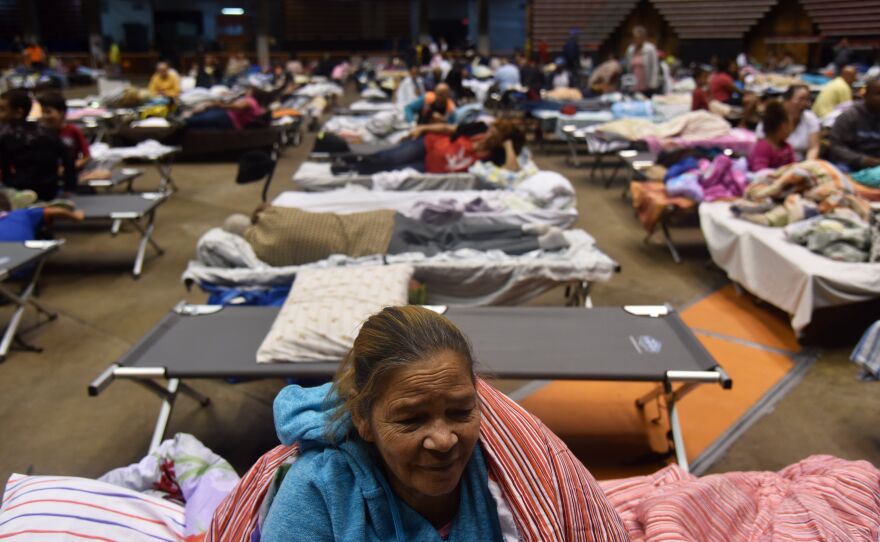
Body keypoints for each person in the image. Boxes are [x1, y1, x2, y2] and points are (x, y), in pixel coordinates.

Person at [264, 305, 609, 539]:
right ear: (363, 419)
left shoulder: (508, 472)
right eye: (411, 420)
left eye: (460, 412)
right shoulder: (318, 495)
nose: (444, 441)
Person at [225, 202, 568, 267]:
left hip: (378, 246)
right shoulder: (278, 212)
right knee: (456, 230)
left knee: (459, 246)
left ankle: (536, 242)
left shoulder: (263, 251)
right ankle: (524, 228)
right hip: (382, 220)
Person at [333, 120, 524, 175]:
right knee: (389, 158)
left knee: (393, 171)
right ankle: (350, 159)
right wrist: (423, 127)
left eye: (496, 135)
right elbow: (448, 129)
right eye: (492, 129)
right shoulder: (478, 128)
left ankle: (351, 169)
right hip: (427, 145)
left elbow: (512, 171)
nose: (490, 134)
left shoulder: (495, 156)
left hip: (431, 168)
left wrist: (508, 147)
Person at [0, 90, 77, 201]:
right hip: (50, 192)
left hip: (19, 191)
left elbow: (4, 168)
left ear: (18, 112)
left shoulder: (5, 135)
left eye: (2, 110)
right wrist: (69, 189)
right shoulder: (48, 131)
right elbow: (69, 160)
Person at [828, 77, 880, 171]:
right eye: (878, 94)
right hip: (851, 163)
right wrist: (862, 160)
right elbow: (836, 147)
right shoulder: (849, 116)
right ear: (866, 95)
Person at [755, 84, 820, 161]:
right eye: (801, 99)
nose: (805, 104)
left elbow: (814, 147)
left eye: (807, 100)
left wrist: (807, 165)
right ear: (787, 100)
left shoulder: (810, 118)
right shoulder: (770, 120)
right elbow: (761, 153)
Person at [37, 91, 90, 171]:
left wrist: (67, 168)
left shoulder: (73, 130)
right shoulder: (40, 133)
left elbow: (86, 156)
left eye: (48, 112)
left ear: (61, 113)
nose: (44, 116)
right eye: (42, 112)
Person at [0, 192, 84, 242]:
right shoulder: (22, 213)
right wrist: (76, 216)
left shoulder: (22, 213)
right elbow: (58, 210)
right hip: (23, 267)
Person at [184, 87, 270, 131]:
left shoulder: (250, 101)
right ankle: (186, 123)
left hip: (230, 118)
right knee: (204, 120)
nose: (246, 91)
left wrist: (217, 105)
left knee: (202, 119)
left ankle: (184, 122)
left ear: (252, 93)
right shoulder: (256, 104)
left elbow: (238, 106)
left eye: (248, 90)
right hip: (231, 119)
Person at [748, 100, 795, 172]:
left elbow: (793, 167)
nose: (791, 129)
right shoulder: (762, 147)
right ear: (782, 126)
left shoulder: (787, 148)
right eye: (789, 125)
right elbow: (760, 172)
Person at [709, 58, 757, 127]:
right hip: (723, 100)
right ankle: (742, 123)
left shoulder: (716, 75)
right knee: (752, 100)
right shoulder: (724, 78)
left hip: (718, 99)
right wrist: (749, 93)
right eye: (732, 67)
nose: (734, 69)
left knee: (751, 97)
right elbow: (738, 92)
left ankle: (748, 120)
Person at [624, 26, 659, 95]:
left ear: (643, 38)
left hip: (647, 82)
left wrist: (653, 83)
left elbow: (655, 66)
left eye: (639, 37)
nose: (636, 40)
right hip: (634, 83)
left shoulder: (650, 49)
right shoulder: (630, 49)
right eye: (635, 37)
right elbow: (628, 66)